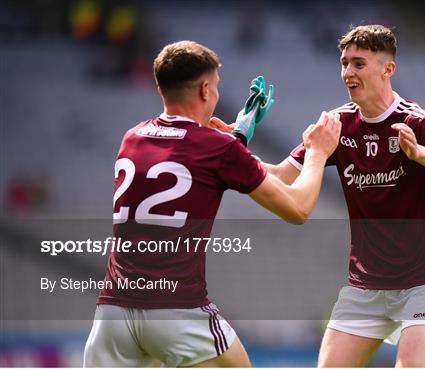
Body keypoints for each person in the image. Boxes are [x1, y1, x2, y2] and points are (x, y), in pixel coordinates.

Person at [83, 40, 341, 367]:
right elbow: (298, 208)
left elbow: (185, 161)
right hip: (176, 311)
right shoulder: (217, 150)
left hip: (114, 314)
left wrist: (237, 139)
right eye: (216, 87)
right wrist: (318, 152)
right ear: (205, 89)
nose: (217, 95)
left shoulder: (132, 138)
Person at [237, 25, 425, 367]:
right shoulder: (336, 125)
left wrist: (418, 153)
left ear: (388, 69)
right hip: (366, 285)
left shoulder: (416, 121)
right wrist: (231, 149)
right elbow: (281, 175)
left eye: (358, 63)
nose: (347, 73)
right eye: (344, 63)